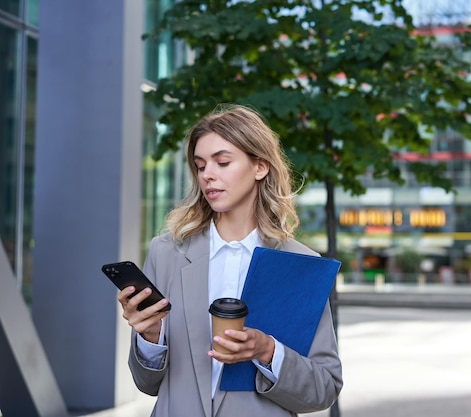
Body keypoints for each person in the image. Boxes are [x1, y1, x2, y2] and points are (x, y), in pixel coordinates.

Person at [117, 104, 343, 416]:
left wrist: (267, 351)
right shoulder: (166, 252)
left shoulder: (299, 264)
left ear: (260, 167)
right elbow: (147, 383)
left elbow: (324, 389)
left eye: (222, 162)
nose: (207, 175)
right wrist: (150, 336)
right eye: (200, 165)